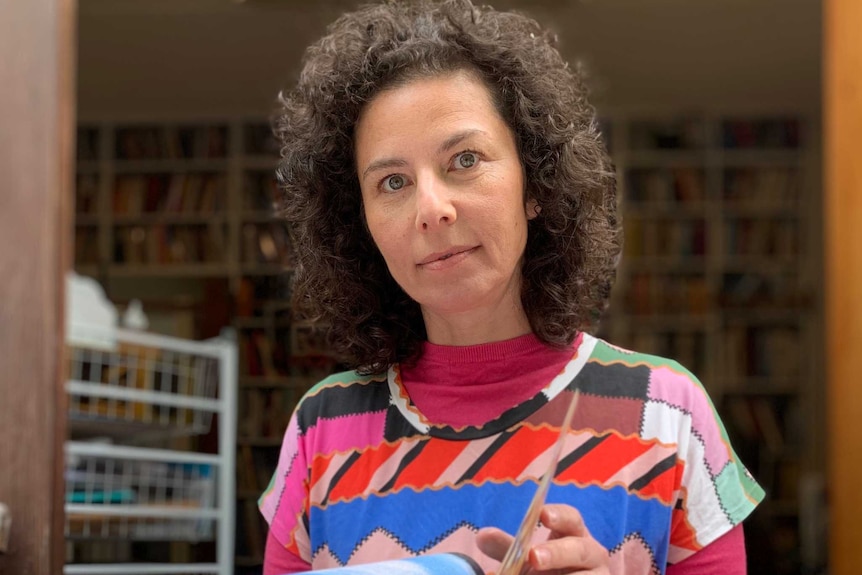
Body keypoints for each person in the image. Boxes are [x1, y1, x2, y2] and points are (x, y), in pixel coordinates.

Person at [258, 0, 764, 573]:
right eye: (392, 182)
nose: (432, 208)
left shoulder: (668, 412)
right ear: (361, 222)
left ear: (535, 185)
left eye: (464, 159)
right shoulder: (319, 428)